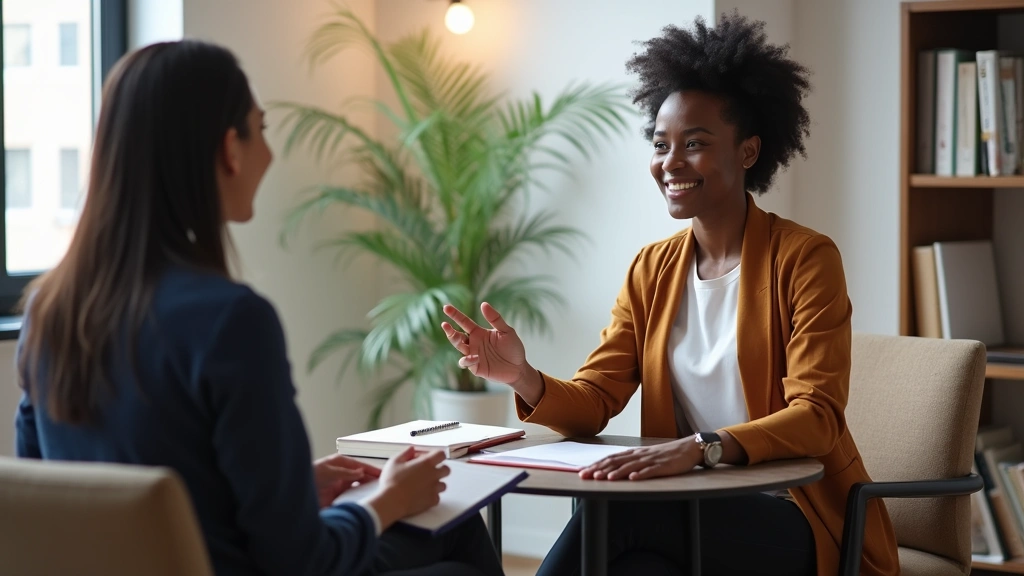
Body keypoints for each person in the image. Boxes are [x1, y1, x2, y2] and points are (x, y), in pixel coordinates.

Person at [14, 40, 504, 576]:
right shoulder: (229, 320)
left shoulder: (47, 313)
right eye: (262, 128)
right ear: (230, 148)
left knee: (454, 530)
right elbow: (302, 562)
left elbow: (61, 501)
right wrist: (390, 499)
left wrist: (291, 484)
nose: (269, 153)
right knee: (455, 546)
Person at [440, 12, 899, 576]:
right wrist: (524, 377)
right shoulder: (651, 269)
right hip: (688, 513)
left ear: (749, 152)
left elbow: (816, 417)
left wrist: (699, 447)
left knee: (618, 515)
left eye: (696, 143)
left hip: (795, 519)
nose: (670, 163)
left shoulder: (805, 258)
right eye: (661, 144)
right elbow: (596, 400)